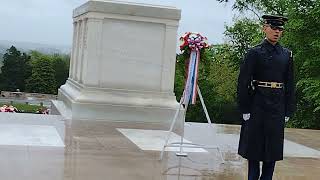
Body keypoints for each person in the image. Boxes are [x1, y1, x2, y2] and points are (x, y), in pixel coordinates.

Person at [237, 14, 296, 180]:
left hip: (277, 105)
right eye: (273, 28)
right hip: (258, 103)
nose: (277, 32)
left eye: (280, 29)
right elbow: (243, 82)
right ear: (265, 28)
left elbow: (290, 83)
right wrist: (245, 108)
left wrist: (288, 110)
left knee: (273, 149)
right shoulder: (254, 52)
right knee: (254, 150)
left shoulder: (286, 54)